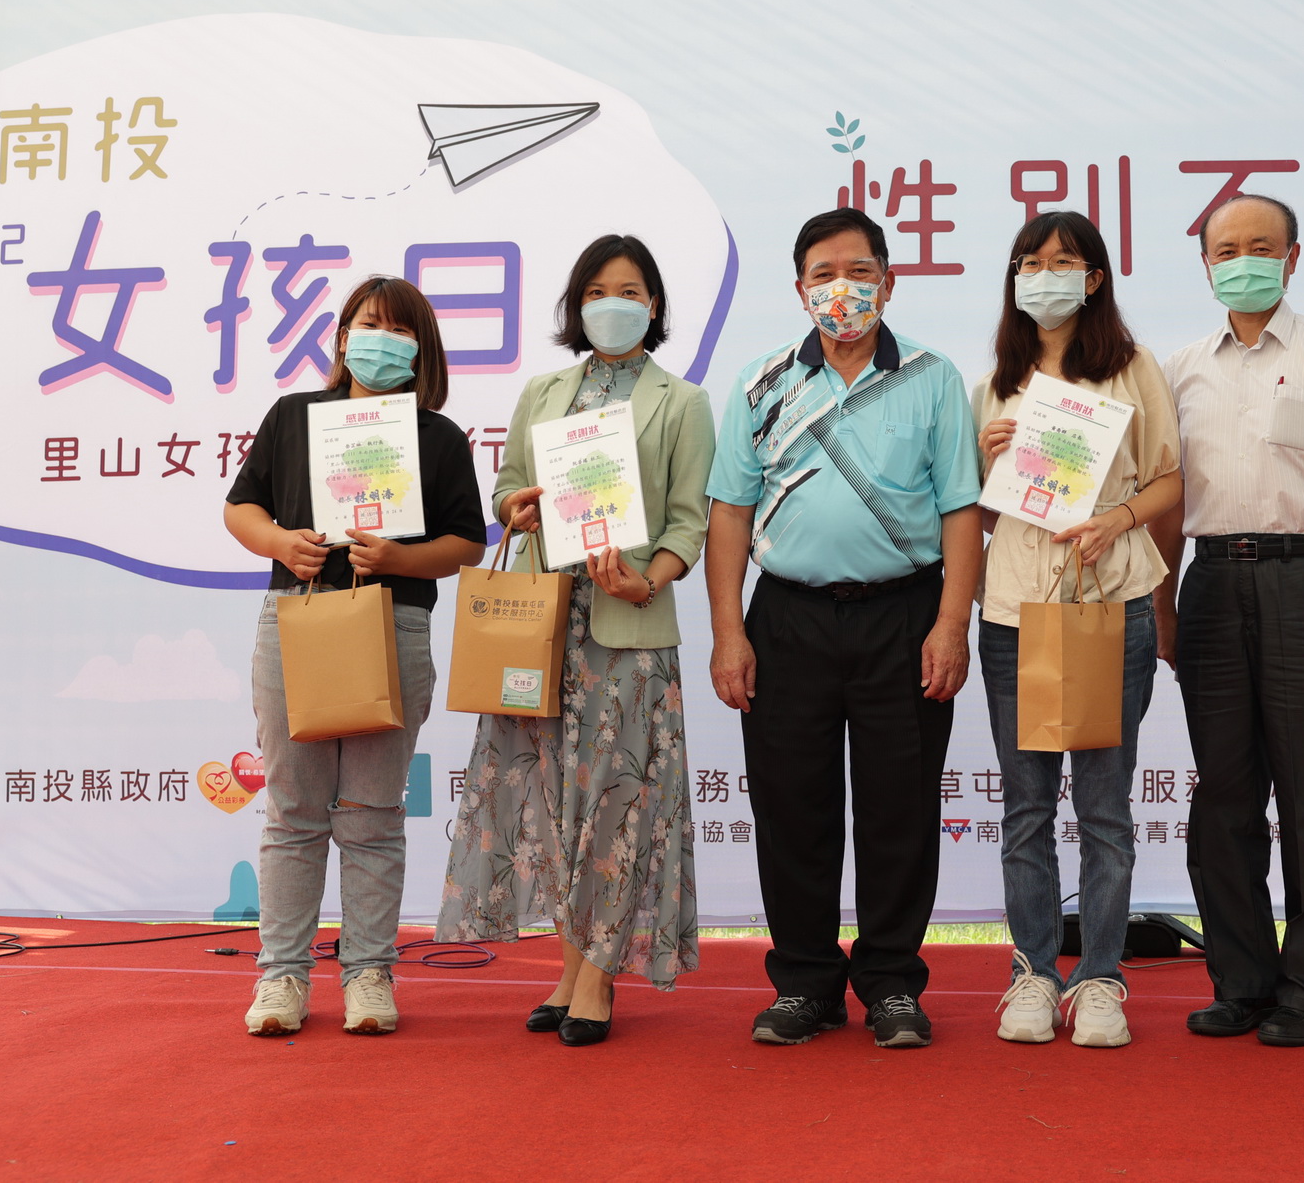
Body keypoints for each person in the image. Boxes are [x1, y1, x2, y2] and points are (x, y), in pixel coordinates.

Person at [704, 209, 982, 1050]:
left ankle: (893, 981)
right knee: (794, 807)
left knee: (900, 808)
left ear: (889, 282)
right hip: (786, 617)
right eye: (824, 273)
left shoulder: (933, 378)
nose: (843, 289)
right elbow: (728, 514)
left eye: (860, 271)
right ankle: (805, 983)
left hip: (905, 614)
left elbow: (962, 510)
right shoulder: (759, 383)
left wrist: (950, 624)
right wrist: (728, 630)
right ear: (799, 289)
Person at [437, 234, 715, 1047]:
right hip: (542, 625)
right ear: (576, 304)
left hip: (627, 628)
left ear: (653, 304)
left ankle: (599, 977)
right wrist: (515, 505)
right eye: (596, 289)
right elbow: (504, 490)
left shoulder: (682, 400)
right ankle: (568, 968)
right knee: (554, 802)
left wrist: (650, 575)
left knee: (617, 804)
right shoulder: (545, 390)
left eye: (629, 289)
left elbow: (689, 523)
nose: (612, 302)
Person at [1152, 194, 1304, 1048]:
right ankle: (1243, 981)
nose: (1243, 259)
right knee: (1223, 794)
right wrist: (1162, 599)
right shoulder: (1181, 366)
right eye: (1226, 248)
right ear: (1206, 263)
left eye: (1261, 246)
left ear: (1294, 257)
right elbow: (1169, 493)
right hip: (1211, 582)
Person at [224, 276, 487, 1038]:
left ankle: (370, 973)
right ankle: (281, 978)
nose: (382, 339)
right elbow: (241, 505)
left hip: (393, 625)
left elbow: (467, 542)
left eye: (400, 330)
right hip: (296, 622)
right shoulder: (294, 416)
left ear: (422, 349)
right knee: (293, 810)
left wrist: (399, 558)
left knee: (373, 813)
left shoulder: (437, 437)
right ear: (341, 336)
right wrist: (281, 543)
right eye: (370, 323)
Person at [972, 211, 1181, 1048]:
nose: (1045, 274)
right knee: (1024, 809)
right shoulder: (995, 379)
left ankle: (1099, 979)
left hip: (1109, 603)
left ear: (1094, 278)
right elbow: (980, 519)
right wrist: (989, 461)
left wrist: (1115, 519)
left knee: (1104, 807)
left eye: (1064, 261)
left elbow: (1171, 479)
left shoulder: (1131, 370)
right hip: (1013, 609)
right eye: (1030, 260)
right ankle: (1031, 973)